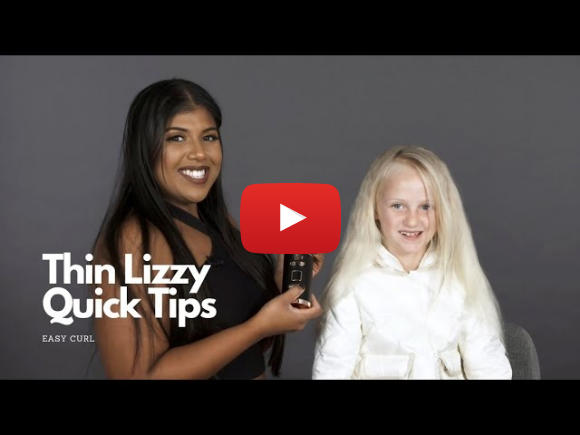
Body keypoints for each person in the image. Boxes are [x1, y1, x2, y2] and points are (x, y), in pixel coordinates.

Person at [91, 78, 323, 380]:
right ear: (144, 148)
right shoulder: (136, 239)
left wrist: (282, 287)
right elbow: (136, 376)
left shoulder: (218, 221)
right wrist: (259, 326)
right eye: (177, 138)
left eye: (209, 137)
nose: (199, 153)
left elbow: (243, 346)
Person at [312, 146, 512, 379]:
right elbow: (332, 369)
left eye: (426, 207)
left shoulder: (459, 278)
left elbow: (489, 366)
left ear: (443, 211)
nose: (412, 220)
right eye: (398, 206)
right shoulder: (353, 285)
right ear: (374, 209)